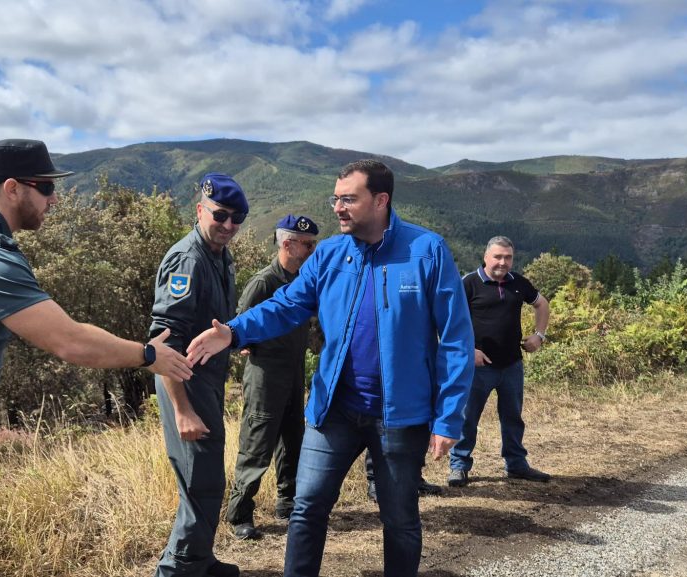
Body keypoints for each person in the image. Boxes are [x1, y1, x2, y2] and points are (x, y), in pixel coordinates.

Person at [0, 139, 193, 577]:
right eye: (45, 187)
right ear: (12, 188)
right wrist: (147, 355)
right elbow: (68, 341)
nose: (53, 198)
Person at [187, 160, 474, 577]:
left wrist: (448, 418)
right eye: (335, 198)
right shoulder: (331, 254)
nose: (338, 207)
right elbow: (288, 305)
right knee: (307, 509)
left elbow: (455, 338)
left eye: (348, 199)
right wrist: (233, 332)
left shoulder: (426, 250)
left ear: (380, 200)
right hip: (333, 409)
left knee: (400, 520)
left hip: (400, 417)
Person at [150, 173, 249, 577]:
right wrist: (182, 410)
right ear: (200, 211)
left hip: (206, 382)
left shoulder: (218, 254)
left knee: (208, 479)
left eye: (236, 218)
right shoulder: (188, 259)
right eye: (220, 216)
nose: (227, 226)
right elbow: (163, 344)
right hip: (185, 384)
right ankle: (176, 570)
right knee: (199, 485)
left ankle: (200, 561)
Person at [227, 214, 319, 541]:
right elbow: (242, 324)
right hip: (266, 374)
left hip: (293, 371)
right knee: (258, 443)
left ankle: (288, 502)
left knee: (292, 438)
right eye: (307, 244)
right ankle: (239, 514)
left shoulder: (304, 280)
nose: (312, 249)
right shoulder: (264, 282)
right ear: (287, 243)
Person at [447, 236, 552, 487]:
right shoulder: (469, 283)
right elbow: (450, 320)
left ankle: (516, 465)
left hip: (512, 365)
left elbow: (542, 304)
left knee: (513, 417)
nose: (503, 262)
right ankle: (459, 466)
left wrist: (539, 336)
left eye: (508, 258)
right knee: (468, 417)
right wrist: (468, 350)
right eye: (498, 257)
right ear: (485, 257)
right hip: (478, 366)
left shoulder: (518, 283)